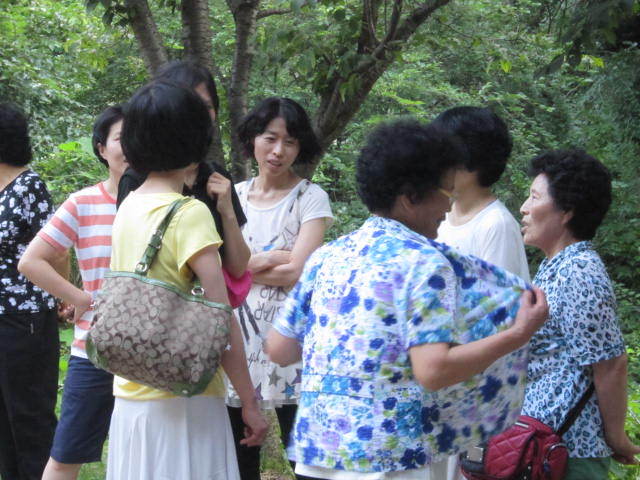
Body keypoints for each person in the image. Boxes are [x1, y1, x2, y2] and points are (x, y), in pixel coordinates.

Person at [266, 119, 549, 479]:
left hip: (318, 455)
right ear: (410, 197)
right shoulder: (425, 263)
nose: (447, 208)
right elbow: (433, 371)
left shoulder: (328, 256)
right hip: (387, 458)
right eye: (445, 193)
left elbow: (279, 348)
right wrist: (516, 335)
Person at [105, 80, 267, 479]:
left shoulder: (129, 206)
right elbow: (220, 319)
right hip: (185, 399)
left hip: (131, 394)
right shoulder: (189, 212)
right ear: (196, 140)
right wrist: (249, 401)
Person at [228, 97, 334, 479]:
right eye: (270, 138)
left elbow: (297, 273)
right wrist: (271, 258)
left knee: (303, 459)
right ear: (253, 140)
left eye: (290, 142)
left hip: (292, 342)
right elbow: (220, 269)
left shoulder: (310, 197)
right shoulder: (233, 196)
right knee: (239, 456)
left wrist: (242, 268)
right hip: (236, 340)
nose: (278, 151)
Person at [18, 105, 125, 480]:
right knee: (64, 458)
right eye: (120, 138)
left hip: (153, 350)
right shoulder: (83, 203)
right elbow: (31, 261)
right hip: (93, 349)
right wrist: (80, 298)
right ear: (101, 148)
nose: (131, 146)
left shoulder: (166, 204)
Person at [520, 149, 640, 479]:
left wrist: (616, 437)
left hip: (569, 450)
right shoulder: (555, 266)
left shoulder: (579, 271)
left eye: (534, 197)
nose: (524, 207)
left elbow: (611, 363)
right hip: (540, 445)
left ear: (567, 212)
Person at [433, 106, 530, 480]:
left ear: (468, 161)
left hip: (471, 392)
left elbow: (497, 321)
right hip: (439, 382)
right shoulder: (440, 218)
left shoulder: (496, 225)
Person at [117, 60, 251, 286]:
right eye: (189, 106)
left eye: (206, 107)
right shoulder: (137, 181)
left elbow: (238, 268)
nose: (198, 117)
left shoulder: (217, 177)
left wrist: (227, 211)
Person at [0, 104, 58, 480]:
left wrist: (62, 297)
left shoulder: (28, 185)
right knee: (4, 421)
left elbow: (55, 252)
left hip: (26, 317)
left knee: (29, 416)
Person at [435, 106, 529, 281]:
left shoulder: (496, 225)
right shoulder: (440, 216)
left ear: (472, 158)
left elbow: (501, 295)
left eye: (445, 157)